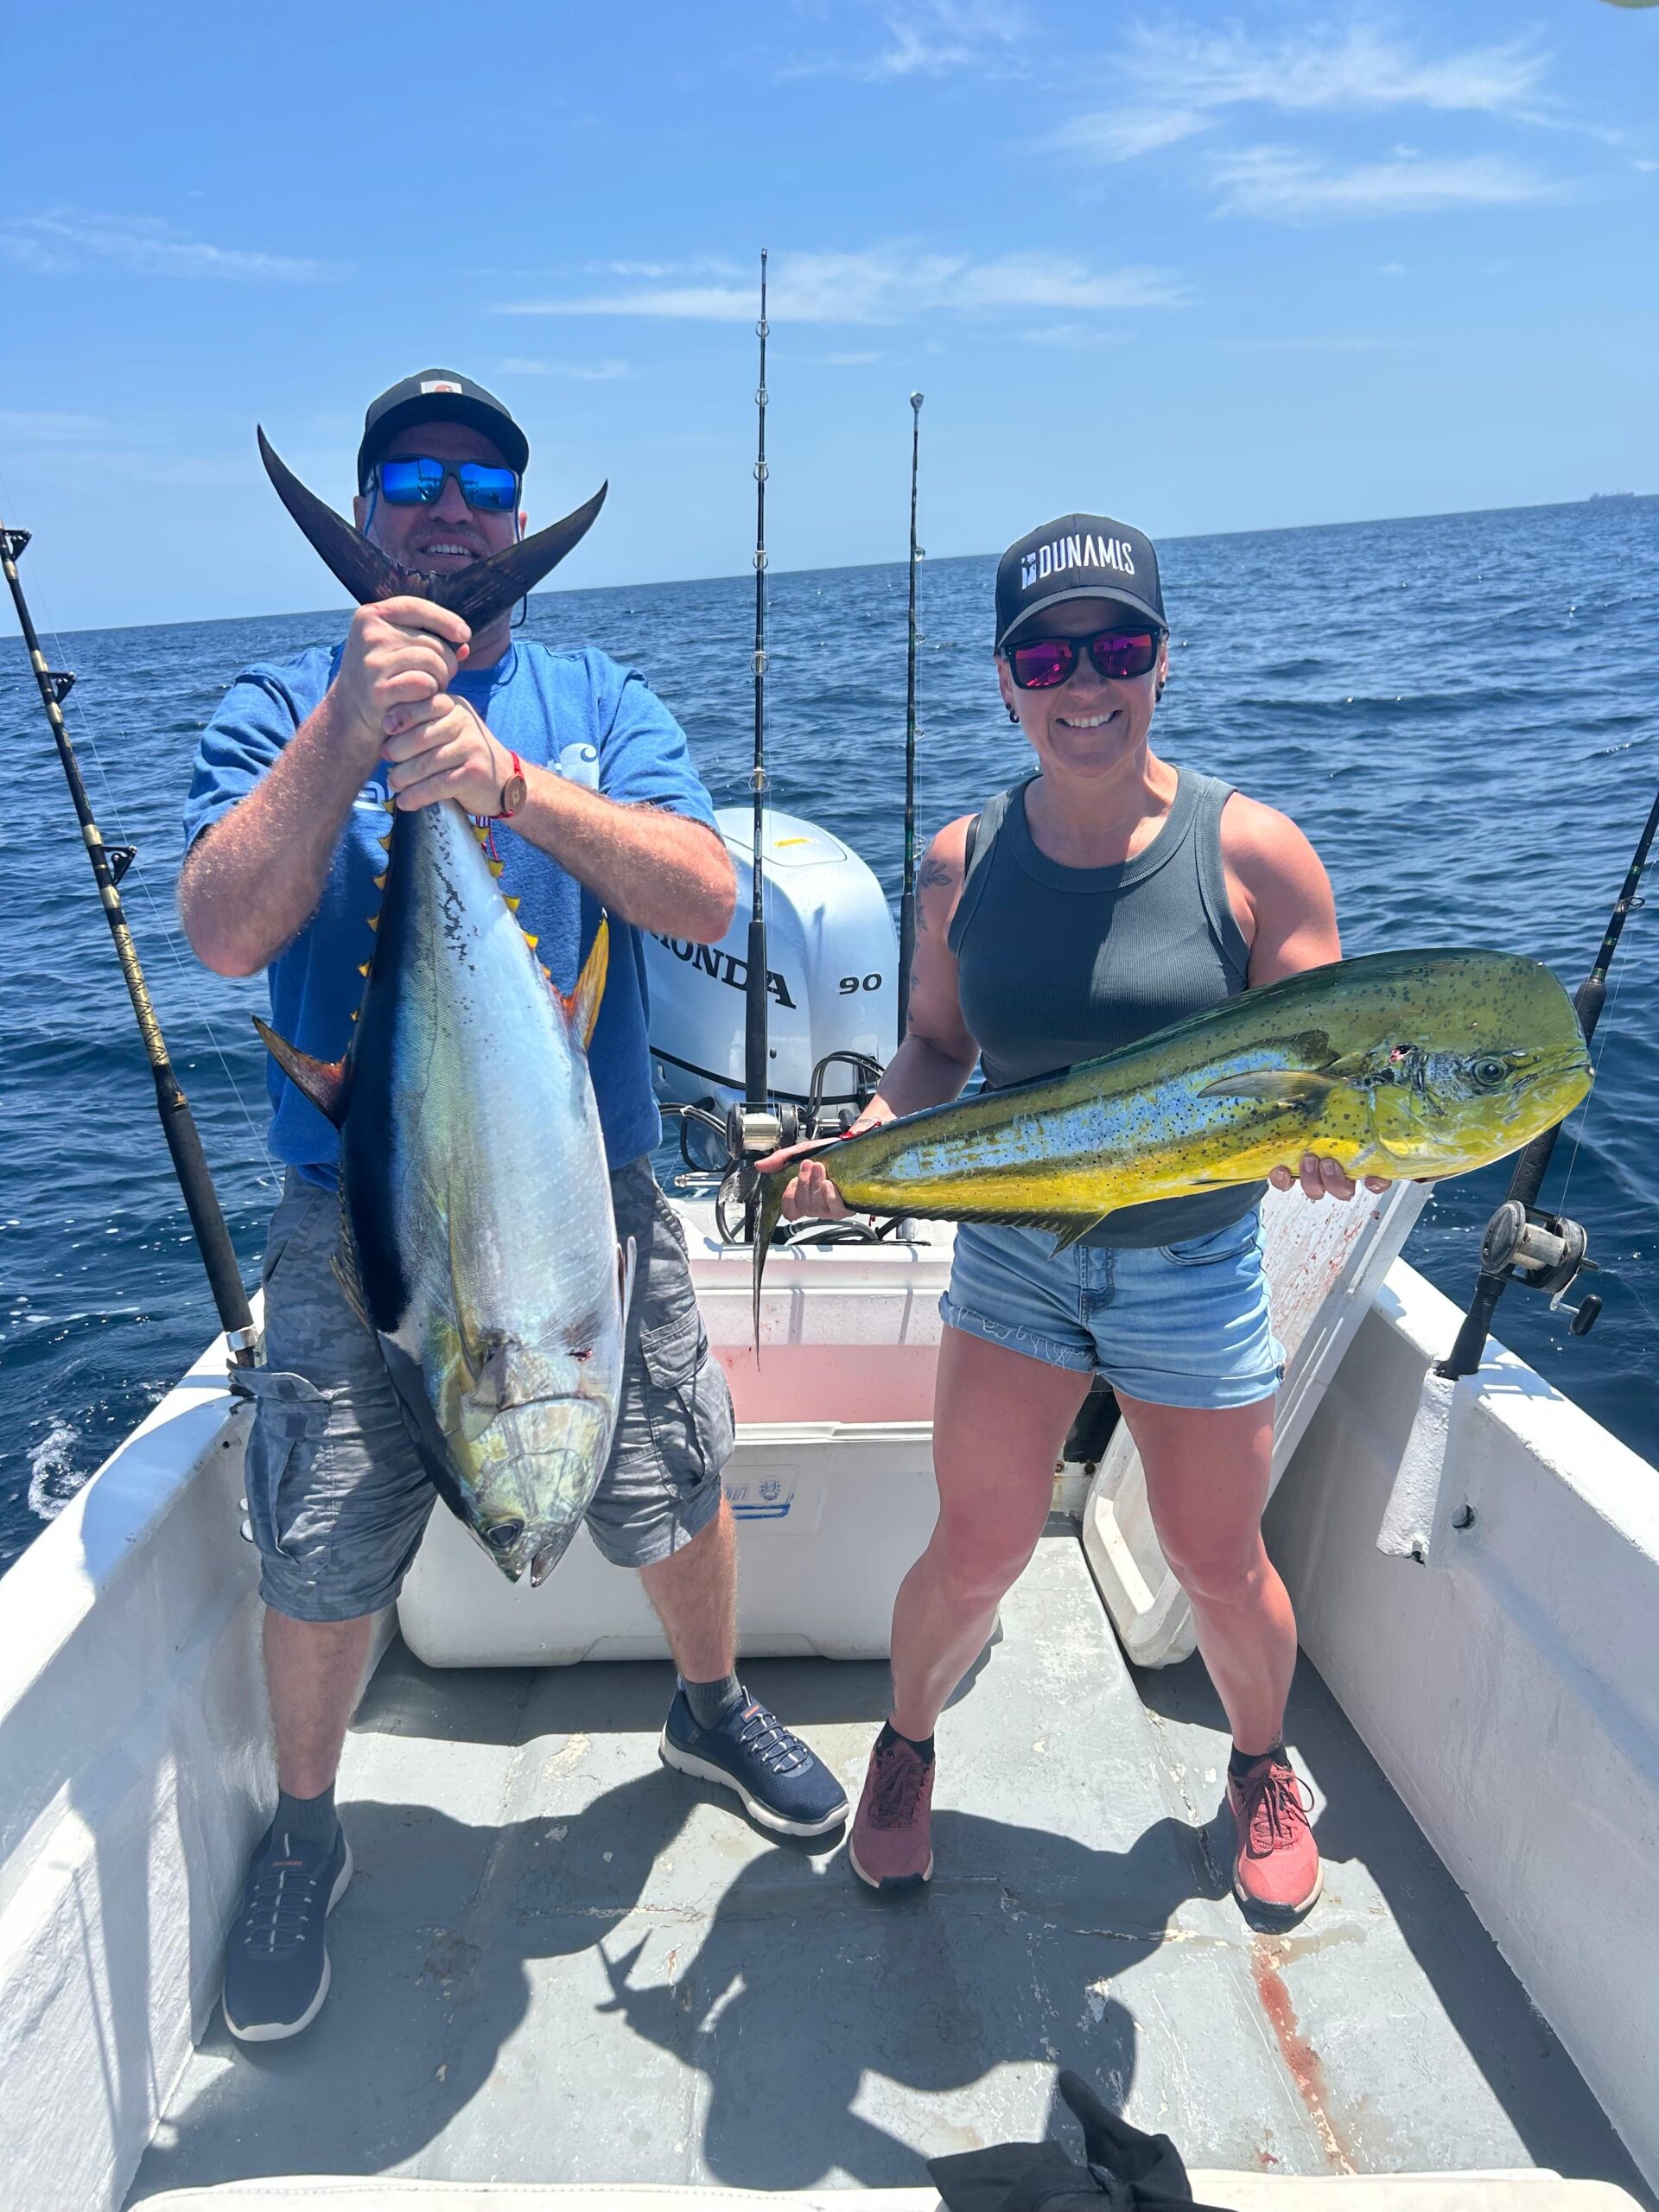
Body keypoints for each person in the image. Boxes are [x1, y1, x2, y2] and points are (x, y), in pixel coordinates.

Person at [180, 369, 847, 2044]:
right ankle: (309, 1825)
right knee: (326, 1533)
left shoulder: (595, 692)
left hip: (587, 1185)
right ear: (370, 504)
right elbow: (220, 926)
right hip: (359, 1212)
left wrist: (505, 785)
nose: (451, 505)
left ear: (519, 520)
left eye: (485, 480)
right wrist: (356, 727)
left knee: (672, 1466)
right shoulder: (279, 700)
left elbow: (706, 889)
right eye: (412, 474)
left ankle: (710, 1704)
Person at [768, 512, 1389, 1923]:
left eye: (1116, 646)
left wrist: (1324, 1149)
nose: (1082, 682)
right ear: (1004, 680)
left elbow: (1324, 1079)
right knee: (977, 1548)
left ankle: (1259, 1767)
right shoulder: (959, 861)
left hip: (1191, 1263)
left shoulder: (1259, 858)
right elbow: (932, 1050)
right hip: (1017, 1266)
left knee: (1219, 1564)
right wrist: (866, 1143)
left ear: (1163, 663)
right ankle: (907, 1748)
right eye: (1046, 656)